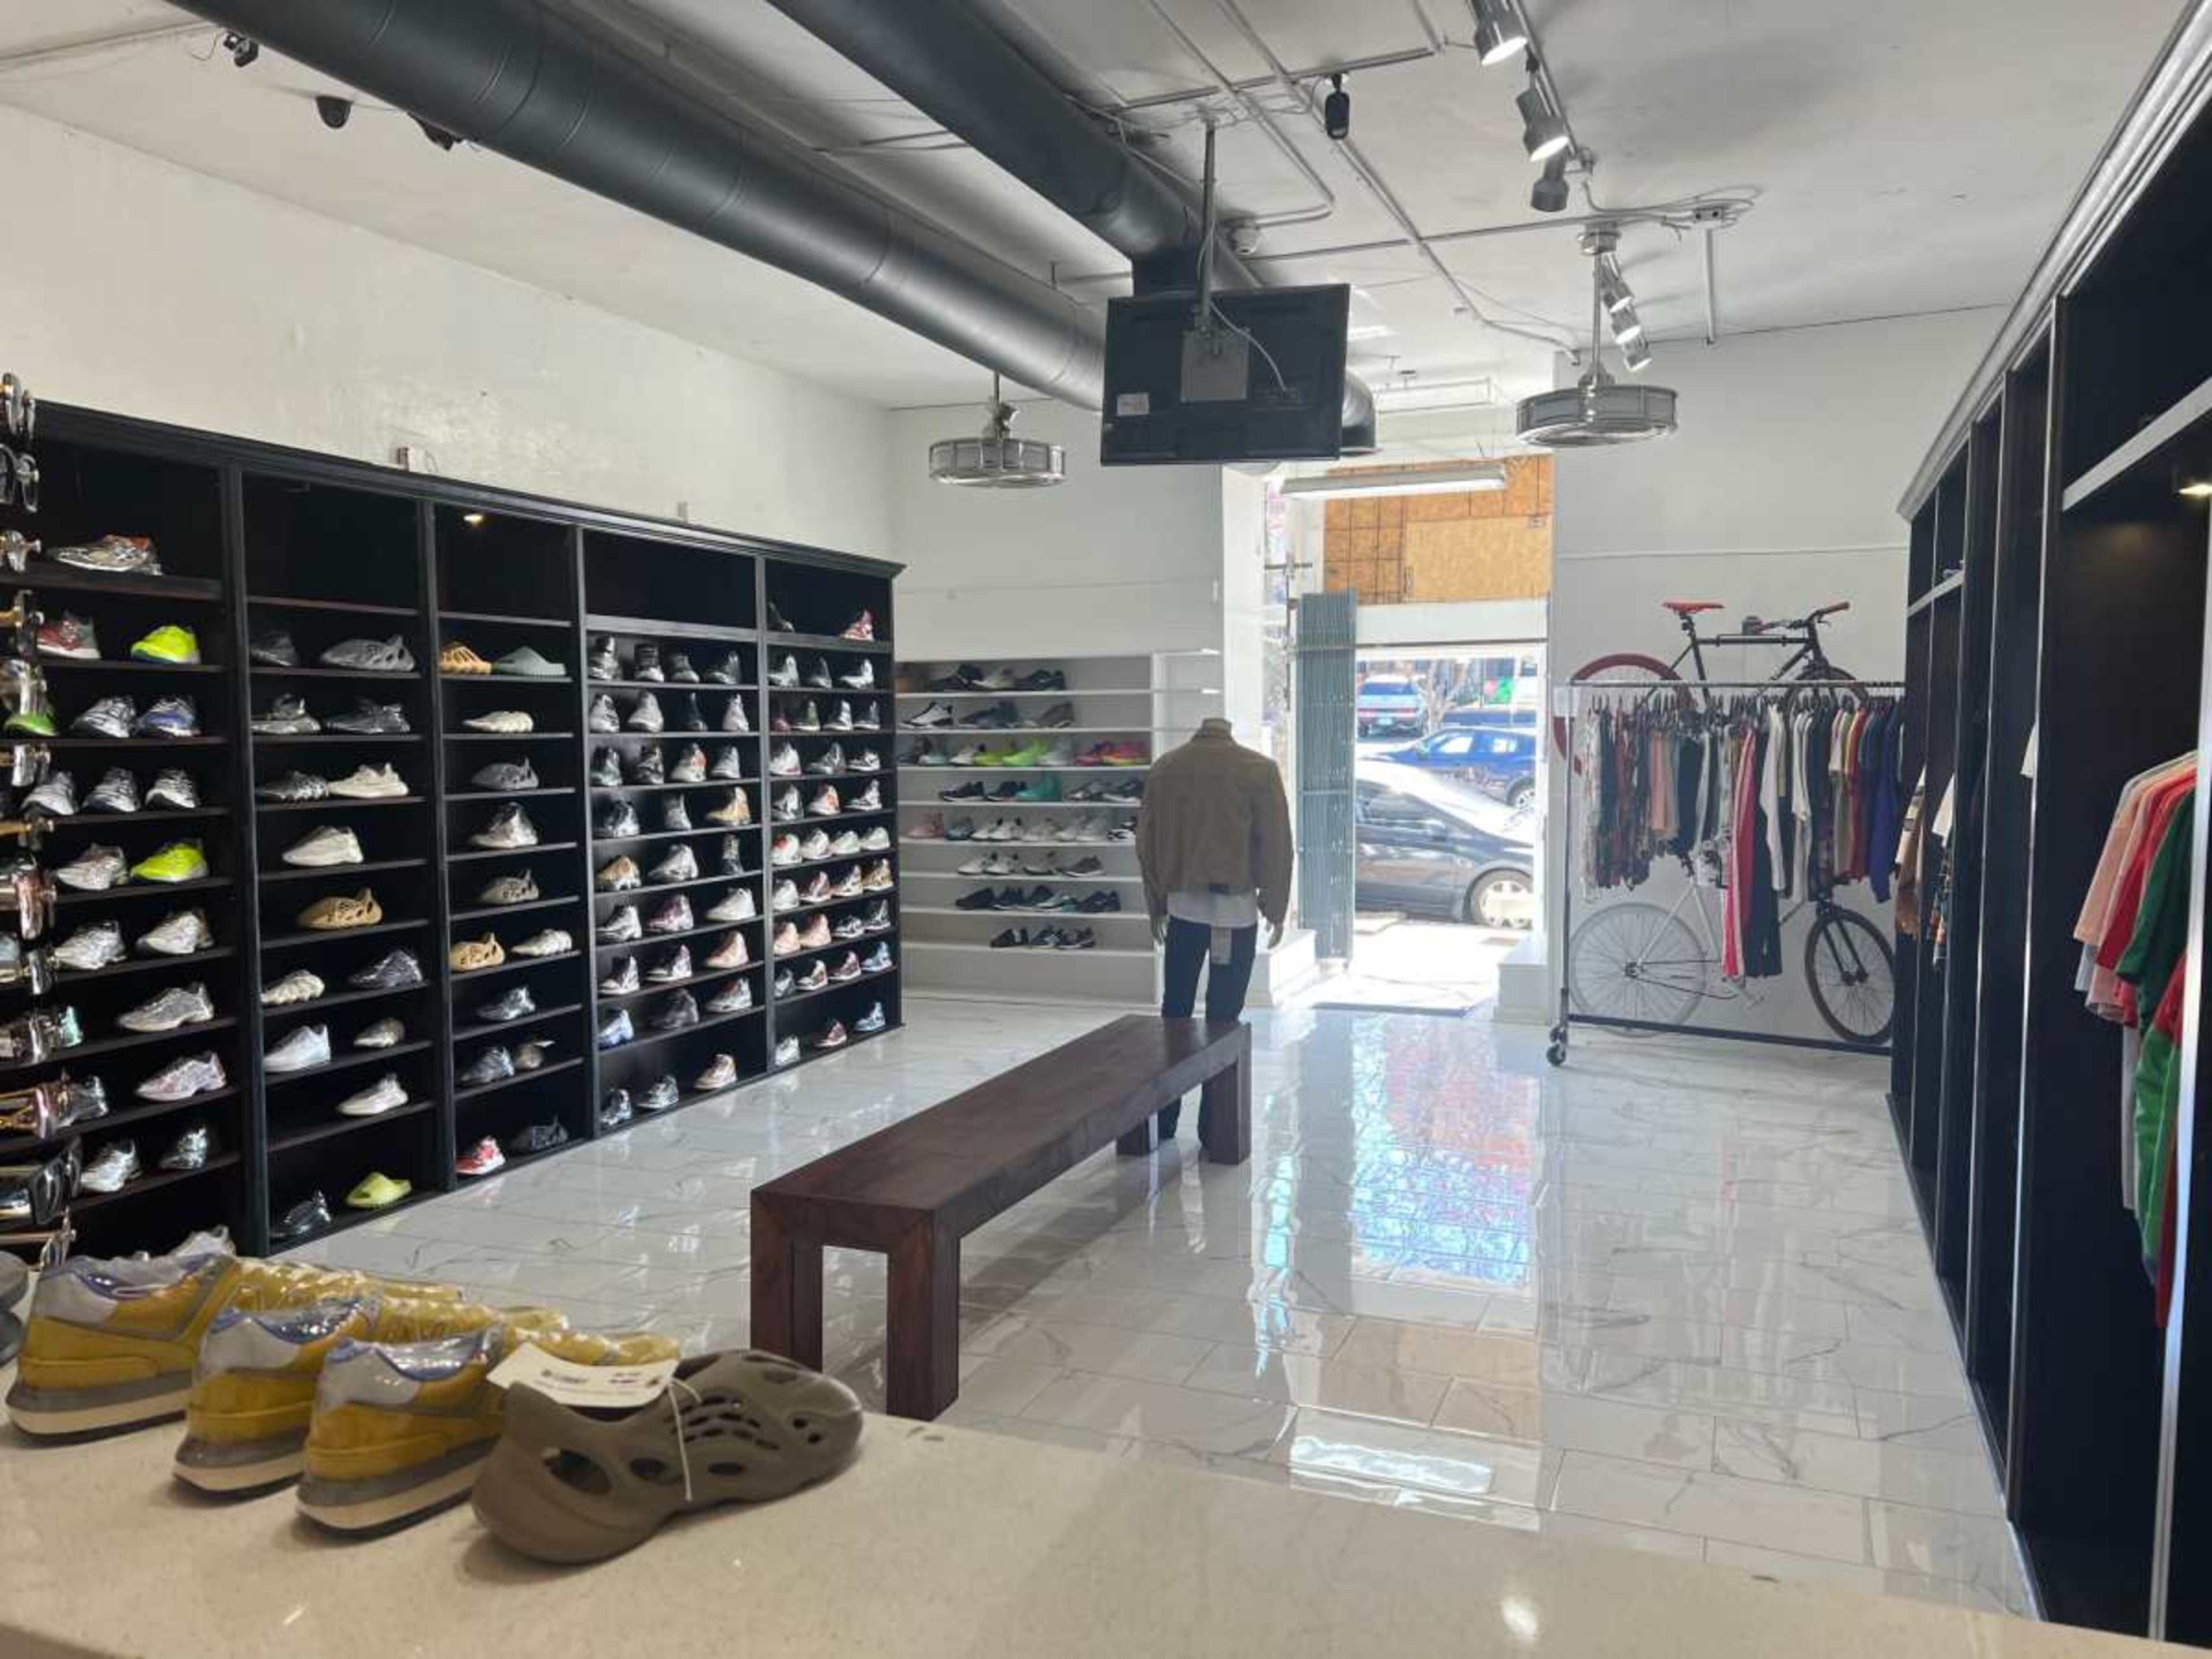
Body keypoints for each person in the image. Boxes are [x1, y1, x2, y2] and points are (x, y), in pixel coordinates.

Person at [1135, 716, 1294, 1139]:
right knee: (1224, 1019)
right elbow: (1277, 842)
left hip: (1183, 907)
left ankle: (1164, 1121)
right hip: (1236, 911)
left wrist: (1155, 905)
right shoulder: (1257, 769)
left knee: (1176, 1014)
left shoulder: (1166, 768)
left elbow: (1145, 841)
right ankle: (1215, 1128)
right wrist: (1276, 906)